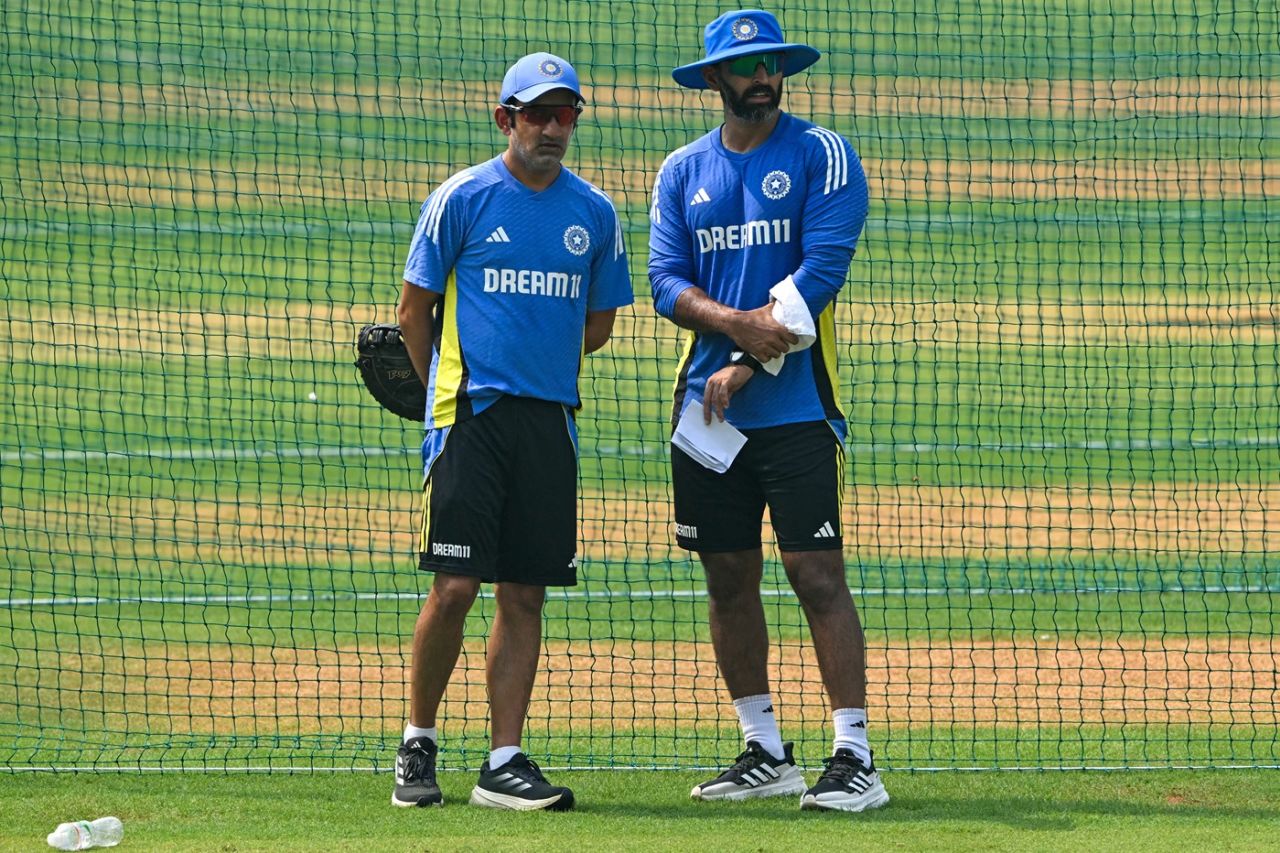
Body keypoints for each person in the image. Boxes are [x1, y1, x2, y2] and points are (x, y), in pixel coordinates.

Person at [648, 10, 887, 813]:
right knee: (726, 575)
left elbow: (823, 268)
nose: (762, 76)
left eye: (771, 63)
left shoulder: (821, 152)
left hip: (794, 409)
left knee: (815, 573)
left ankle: (854, 755)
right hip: (705, 413)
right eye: (745, 66)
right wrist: (730, 326)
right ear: (714, 79)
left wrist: (755, 355)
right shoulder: (682, 171)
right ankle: (764, 749)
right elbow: (664, 282)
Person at [391, 51, 633, 811]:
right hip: (471, 416)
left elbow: (597, 325)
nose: (553, 128)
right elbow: (412, 310)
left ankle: (503, 761)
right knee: (456, 584)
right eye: (538, 113)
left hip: (550, 421)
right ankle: (417, 743)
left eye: (566, 114)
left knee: (525, 593)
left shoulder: (594, 212)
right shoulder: (462, 197)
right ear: (506, 119)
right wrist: (442, 392)